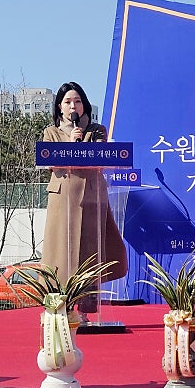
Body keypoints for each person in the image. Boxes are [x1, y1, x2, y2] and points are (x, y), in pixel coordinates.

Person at [41, 81, 127, 322]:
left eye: (77, 101)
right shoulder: (51, 132)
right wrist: (70, 143)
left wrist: (80, 142)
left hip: (91, 197)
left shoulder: (97, 131)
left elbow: (100, 157)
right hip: (63, 198)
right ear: (59, 107)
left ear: (84, 105)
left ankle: (85, 312)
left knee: (90, 252)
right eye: (68, 102)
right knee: (61, 252)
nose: (73, 106)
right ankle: (59, 307)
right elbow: (48, 162)